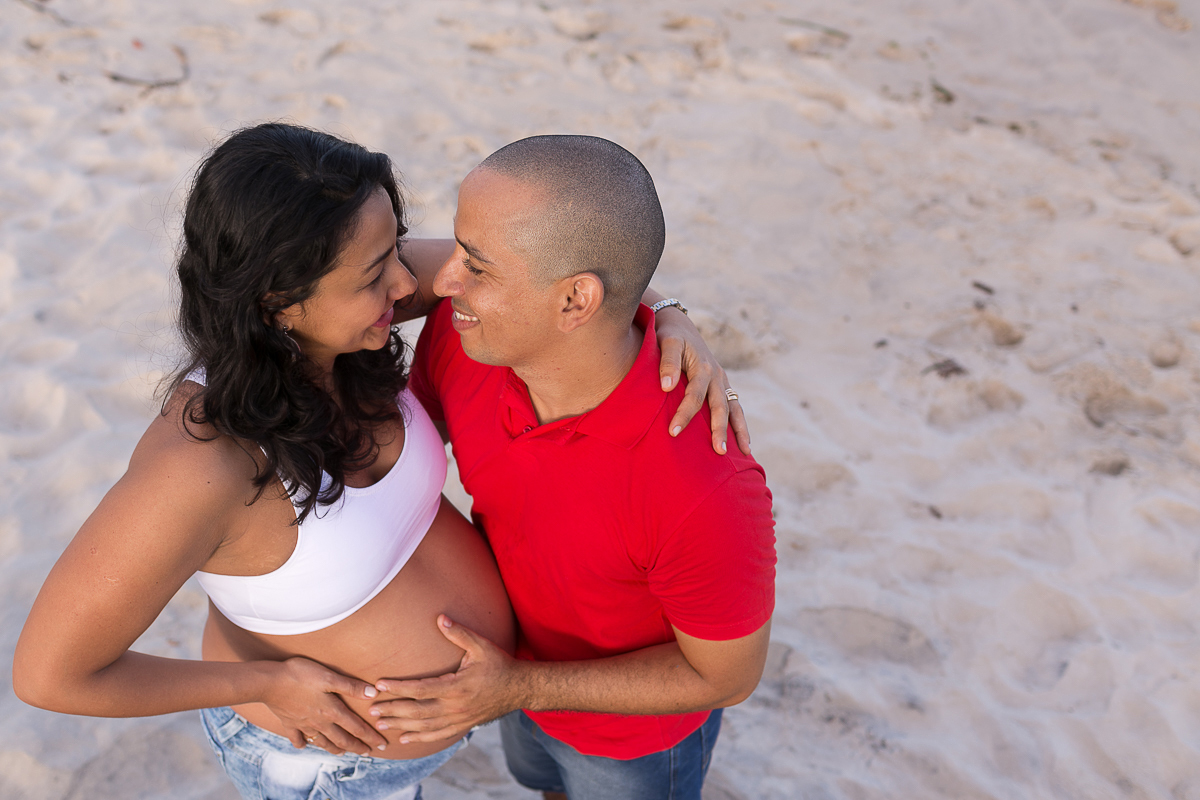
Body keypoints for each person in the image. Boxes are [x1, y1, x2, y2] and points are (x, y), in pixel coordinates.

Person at [10, 123, 740, 800]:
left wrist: (667, 310)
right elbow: (51, 675)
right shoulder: (200, 465)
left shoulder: (350, 331)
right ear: (278, 303)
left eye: (395, 248)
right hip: (330, 763)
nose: (411, 282)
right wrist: (266, 682)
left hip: (449, 723)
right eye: (373, 275)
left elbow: (552, 271)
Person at [367, 135, 777, 800]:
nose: (442, 283)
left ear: (574, 301)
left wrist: (518, 685)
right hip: (511, 686)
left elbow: (726, 676)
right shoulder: (464, 336)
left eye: (477, 266)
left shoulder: (703, 487)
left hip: (630, 743)